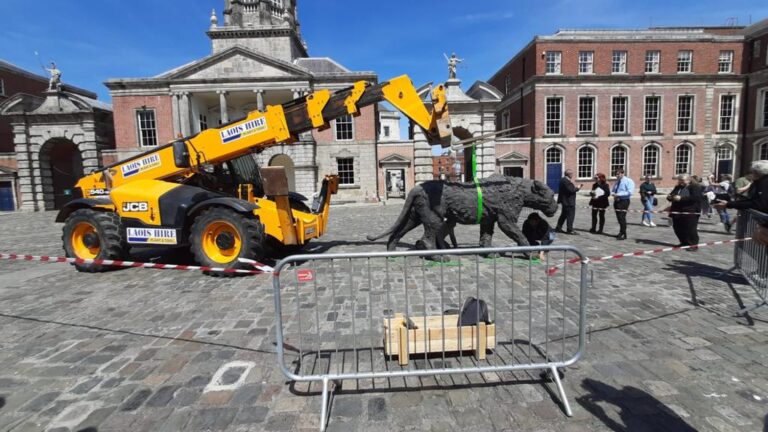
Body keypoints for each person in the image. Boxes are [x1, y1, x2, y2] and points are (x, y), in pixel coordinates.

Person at [667, 175, 704, 248]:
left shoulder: (695, 187)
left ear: (688, 180)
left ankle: (693, 245)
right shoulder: (678, 187)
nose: (680, 181)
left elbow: (696, 198)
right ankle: (683, 242)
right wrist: (671, 197)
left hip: (690, 211)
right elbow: (672, 195)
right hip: (677, 210)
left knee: (690, 229)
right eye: (679, 180)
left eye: (682, 180)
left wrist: (681, 198)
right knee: (677, 227)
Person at [555, 169, 582, 235]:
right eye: (572, 174)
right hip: (568, 201)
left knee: (563, 215)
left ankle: (558, 227)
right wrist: (578, 188)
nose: (572, 175)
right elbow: (571, 190)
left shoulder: (563, 180)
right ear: (569, 174)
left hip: (565, 201)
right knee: (570, 216)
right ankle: (570, 229)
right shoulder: (566, 181)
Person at [611, 169, 635, 240]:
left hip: (624, 201)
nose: (616, 176)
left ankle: (623, 233)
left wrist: (618, 194)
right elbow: (613, 190)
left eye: (618, 174)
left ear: (622, 173)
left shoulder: (628, 181)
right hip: (617, 201)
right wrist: (613, 194)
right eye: (616, 174)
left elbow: (630, 192)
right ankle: (622, 232)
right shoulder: (617, 181)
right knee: (619, 218)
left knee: (622, 217)